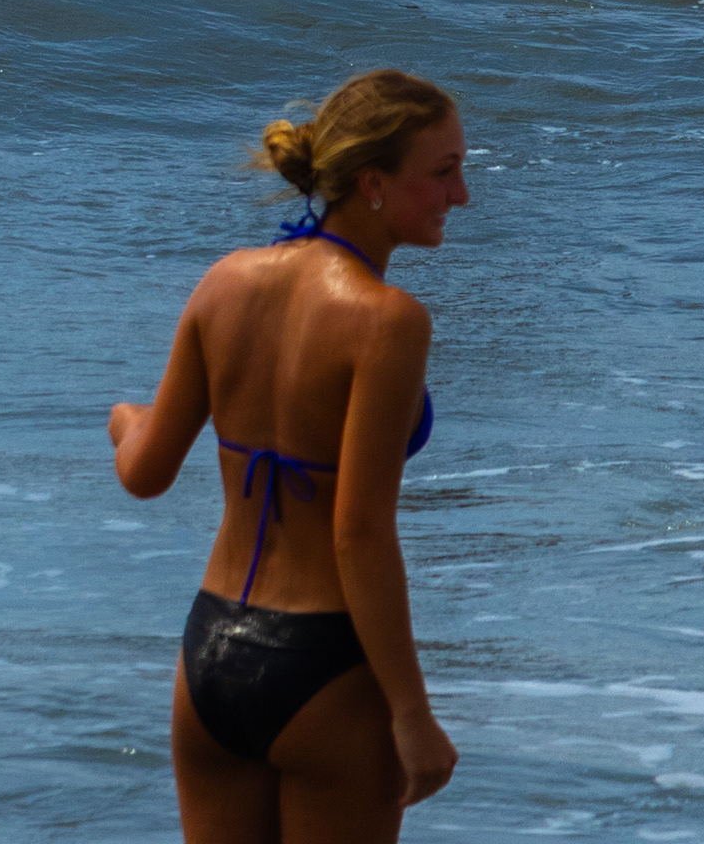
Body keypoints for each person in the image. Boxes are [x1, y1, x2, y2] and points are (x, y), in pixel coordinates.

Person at [108, 70, 470, 835]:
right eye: (443, 173)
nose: (460, 195)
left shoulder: (224, 282)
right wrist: (412, 715)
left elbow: (144, 472)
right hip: (325, 666)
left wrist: (124, 418)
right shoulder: (389, 322)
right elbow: (359, 532)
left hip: (209, 658)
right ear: (372, 183)